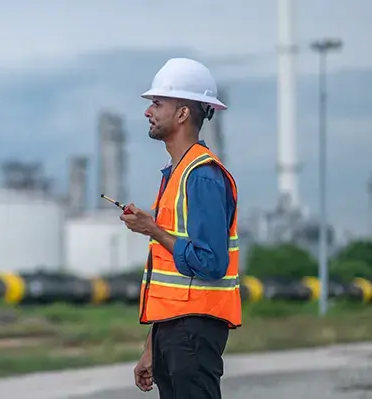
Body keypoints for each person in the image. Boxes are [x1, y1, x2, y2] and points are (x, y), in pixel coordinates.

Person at [120, 58, 241, 399]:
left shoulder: (201, 175)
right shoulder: (176, 173)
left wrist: (153, 229)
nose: (148, 111)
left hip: (195, 330)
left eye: (157, 103)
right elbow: (169, 280)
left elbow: (211, 262)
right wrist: (151, 346)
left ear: (183, 114)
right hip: (175, 332)